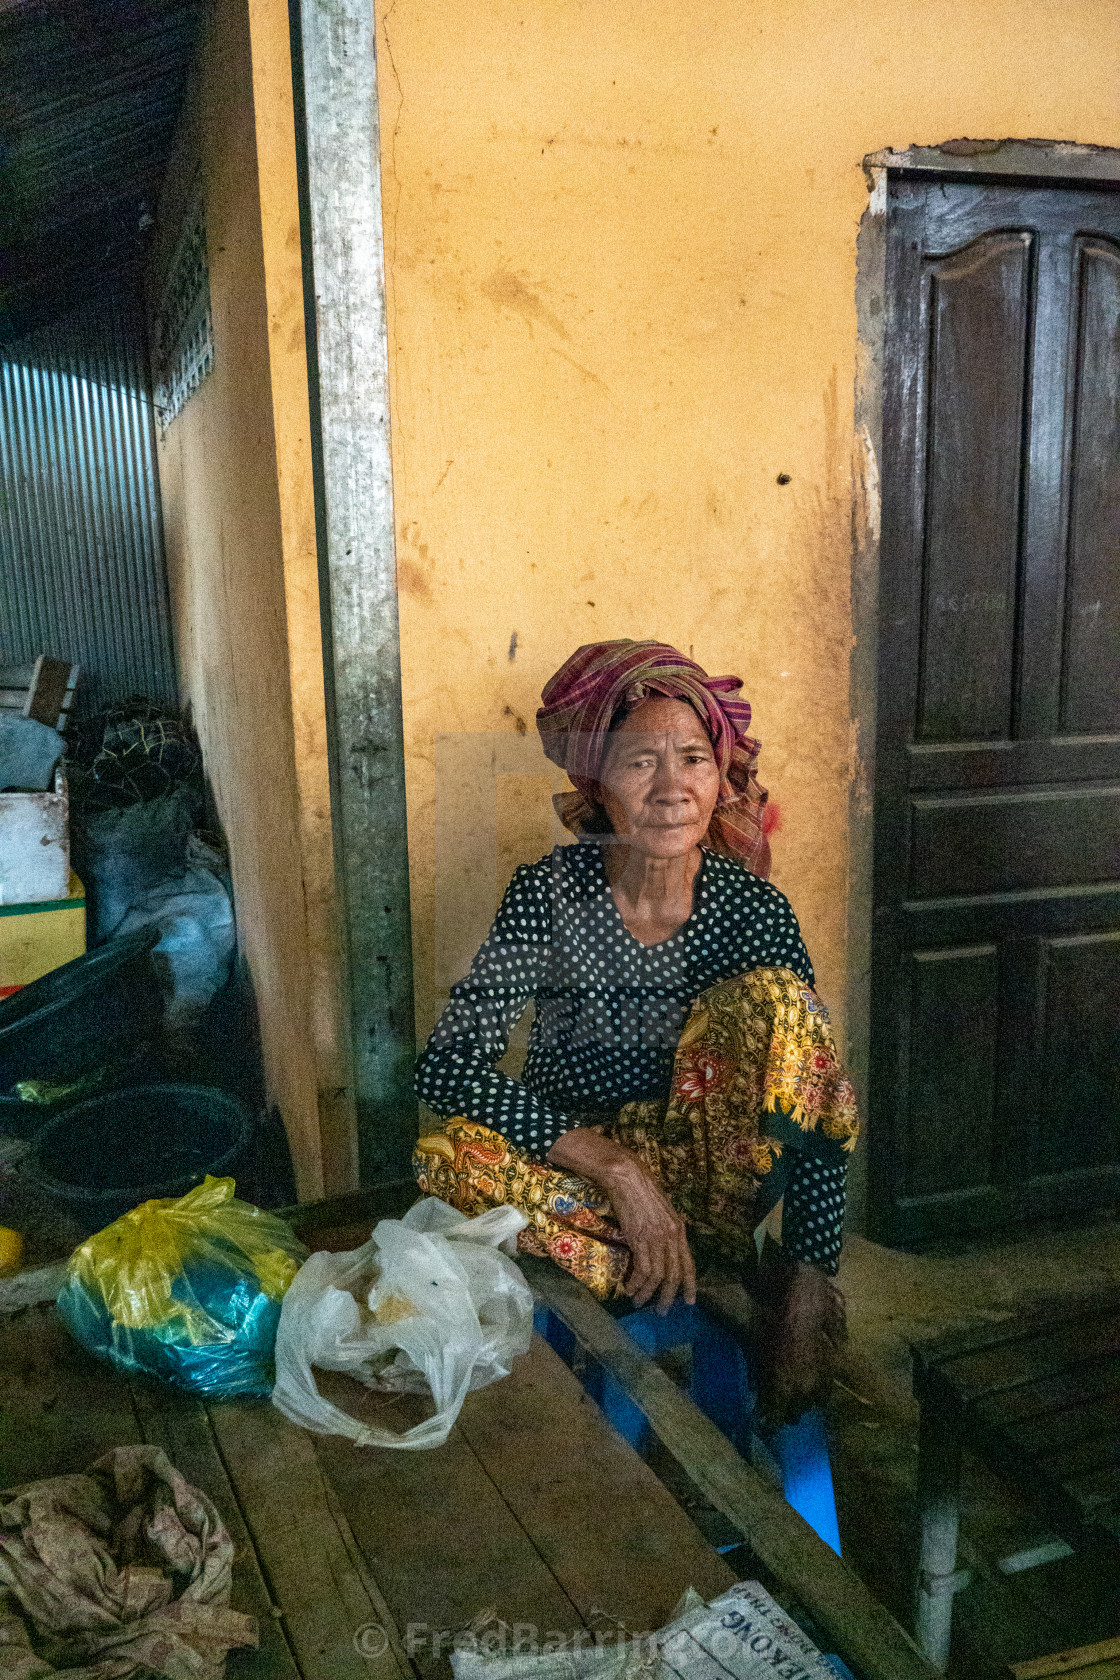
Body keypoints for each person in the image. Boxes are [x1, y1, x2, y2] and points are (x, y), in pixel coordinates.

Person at [413, 639, 859, 1422]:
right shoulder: (548, 893)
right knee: (445, 1156)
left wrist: (809, 1274)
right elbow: (448, 1067)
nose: (671, 788)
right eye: (638, 764)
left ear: (720, 778)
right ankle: (690, 1273)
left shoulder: (753, 911)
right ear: (598, 787)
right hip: (587, 1185)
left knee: (788, 1007)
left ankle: (722, 1263)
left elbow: (817, 1091)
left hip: (715, 1184)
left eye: (692, 759)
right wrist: (619, 1172)